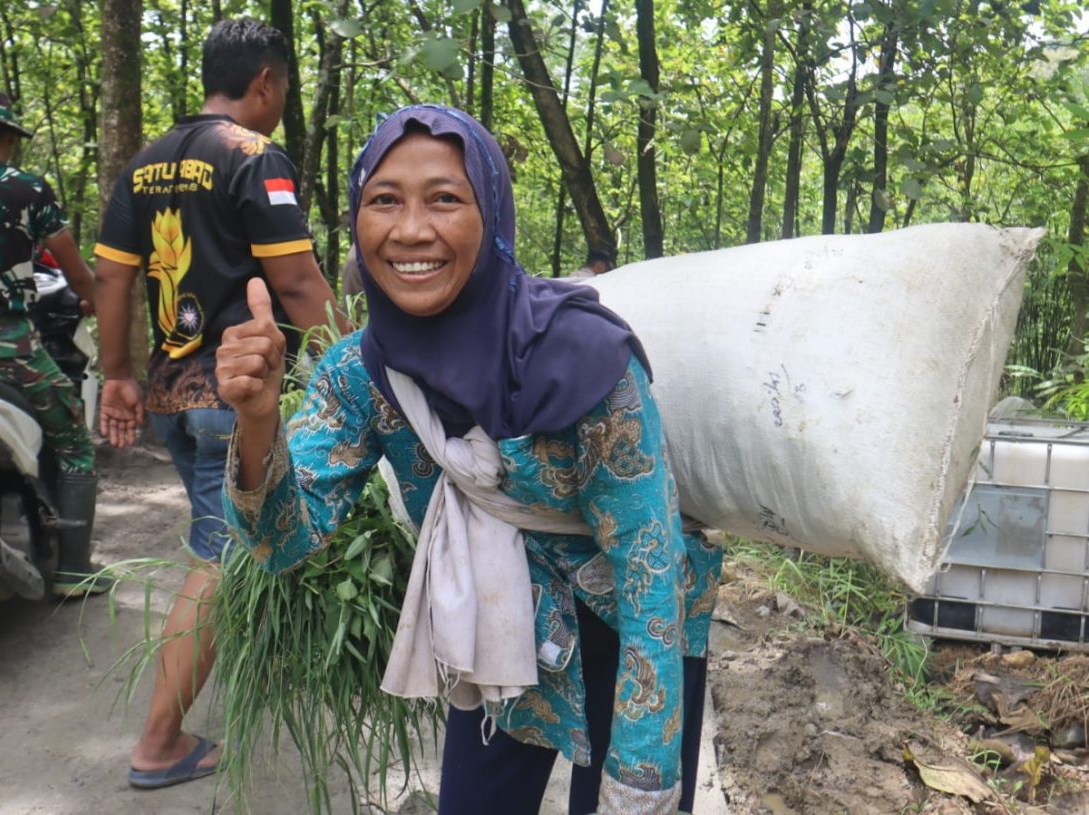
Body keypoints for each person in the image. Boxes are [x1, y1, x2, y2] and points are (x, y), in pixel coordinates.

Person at [217, 104, 721, 814]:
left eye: (445, 199)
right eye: (384, 200)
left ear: (491, 218)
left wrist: (640, 780)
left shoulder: (581, 361)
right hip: (499, 630)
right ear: (357, 226)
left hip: (630, 633)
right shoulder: (359, 376)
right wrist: (259, 420)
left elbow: (650, 572)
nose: (412, 229)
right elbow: (280, 540)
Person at [92, 18, 342, 790]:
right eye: (284, 88)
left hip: (172, 394)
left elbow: (113, 278)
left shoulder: (144, 163)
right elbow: (297, 283)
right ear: (265, 81)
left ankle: (185, 716)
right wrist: (352, 368)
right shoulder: (252, 157)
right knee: (220, 558)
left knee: (224, 543)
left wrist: (118, 373)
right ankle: (158, 742)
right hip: (236, 397)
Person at [0, 87, 108, 598]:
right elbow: (74, 268)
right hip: (9, 347)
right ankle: (75, 569)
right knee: (76, 446)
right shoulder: (28, 188)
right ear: (7, 138)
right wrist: (94, 301)